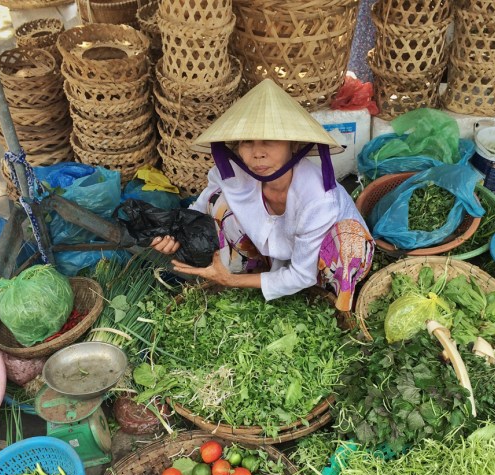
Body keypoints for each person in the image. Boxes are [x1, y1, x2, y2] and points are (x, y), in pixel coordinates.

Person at [151, 79, 375, 312]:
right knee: (217, 200)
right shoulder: (233, 174)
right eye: (247, 142)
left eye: (270, 140)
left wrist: (230, 280)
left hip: (321, 262)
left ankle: (334, 300)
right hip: (272, 250)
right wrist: (173, 234)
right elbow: (197, 211)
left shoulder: (317, 198)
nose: (257, 153)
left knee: (347, 243)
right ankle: (253, 272)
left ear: (294, 146)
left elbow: (301, 274)